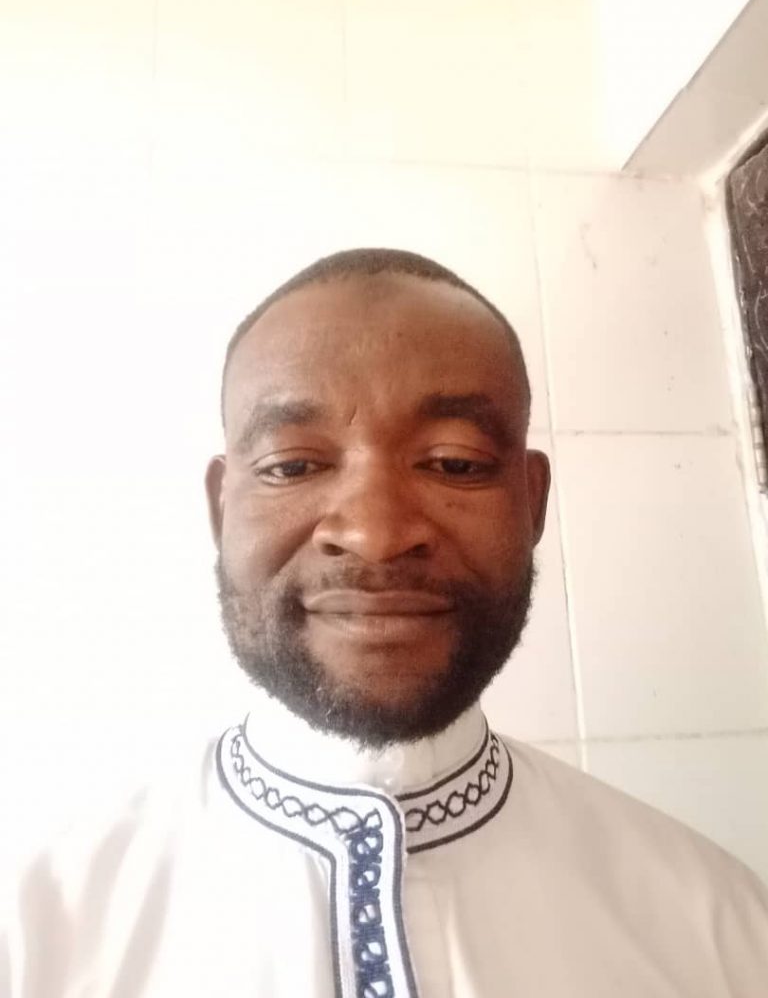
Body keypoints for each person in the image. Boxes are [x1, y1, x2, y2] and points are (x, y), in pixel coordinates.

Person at [2, 248, 767, 997]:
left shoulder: (721, 929)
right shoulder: (37, 932)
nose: (375, 533)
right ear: (219, 507)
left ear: (532, 503)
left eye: (455, 462)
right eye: (292, 465)